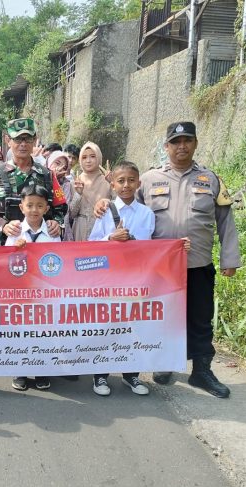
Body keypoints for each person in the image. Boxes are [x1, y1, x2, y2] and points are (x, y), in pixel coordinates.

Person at [97, 122, 241, 398]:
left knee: (200, 319)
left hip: (197, 264)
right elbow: (125, 206)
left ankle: (201, 370)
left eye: (187, 140)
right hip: (158, 270)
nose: (182, 146)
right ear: (167, 147)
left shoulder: (211, 179)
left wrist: (229, 258)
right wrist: (102, 204)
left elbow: (226, 222)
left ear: (195, 144)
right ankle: (163, 364)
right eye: (175, 142)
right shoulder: (149, 180)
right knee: (162, 319)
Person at [88, 161, 156, 396]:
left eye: (131, 180)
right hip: (110, 280)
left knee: (134, 327)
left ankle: (132, 375)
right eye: (121, 181)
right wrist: (110, 238)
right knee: (106, 327)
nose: (126, 185)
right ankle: (100, 375)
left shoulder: (147, 214)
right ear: (113, 184)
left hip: (137, 280)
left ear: (138, 183)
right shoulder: (105, 211)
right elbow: (91, 245)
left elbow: (154, 248)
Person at [0, 118, 67, 246]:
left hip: (40, 250)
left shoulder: (47, 175)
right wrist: (2, 226)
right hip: (4, 250)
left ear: (35, 140)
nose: (23, 144)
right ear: (8, 140)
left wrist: (56, 224)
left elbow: (61, 209)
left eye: (28, 138)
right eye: (18, 139)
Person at [5, 185, 60, 391]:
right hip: (21, 291)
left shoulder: (54, 232)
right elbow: (5, 261)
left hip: (45, 291)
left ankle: (42, 370)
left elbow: (59, 260)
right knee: (21, 331)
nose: (34, 210)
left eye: (39, 206)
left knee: (44, 330)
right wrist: (14, 249)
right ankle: (20, 370)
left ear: (47, 208)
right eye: (30, 205)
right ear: (22, 207)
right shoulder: (15, 231)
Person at [70, 142, 111, 242]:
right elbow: (72, 214)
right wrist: (78, 193)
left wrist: (113, 184)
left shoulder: (107, 180)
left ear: (99, 158)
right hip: (80, 229)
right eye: (84, 157)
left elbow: (118, 205)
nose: (88, 161)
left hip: (102, 227)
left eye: (92, 156)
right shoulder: (75, 182)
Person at [46, 150, 75, 242]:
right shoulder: (40, 178)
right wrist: (51, 178)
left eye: (64, 167)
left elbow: (65, 213)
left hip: (61, 231)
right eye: (57, 163)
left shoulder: (66, 184)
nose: (60, 168)